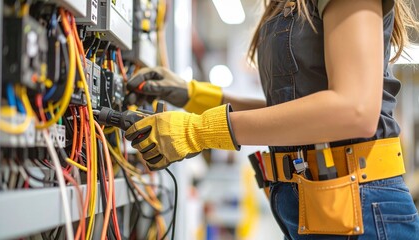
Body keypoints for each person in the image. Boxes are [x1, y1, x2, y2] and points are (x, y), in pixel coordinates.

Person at [125, 0, 419, 239]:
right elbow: (294, 108)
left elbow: (353, 110)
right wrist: (194, 96)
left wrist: (200, 131)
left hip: (358, 206)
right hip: (314, 205)